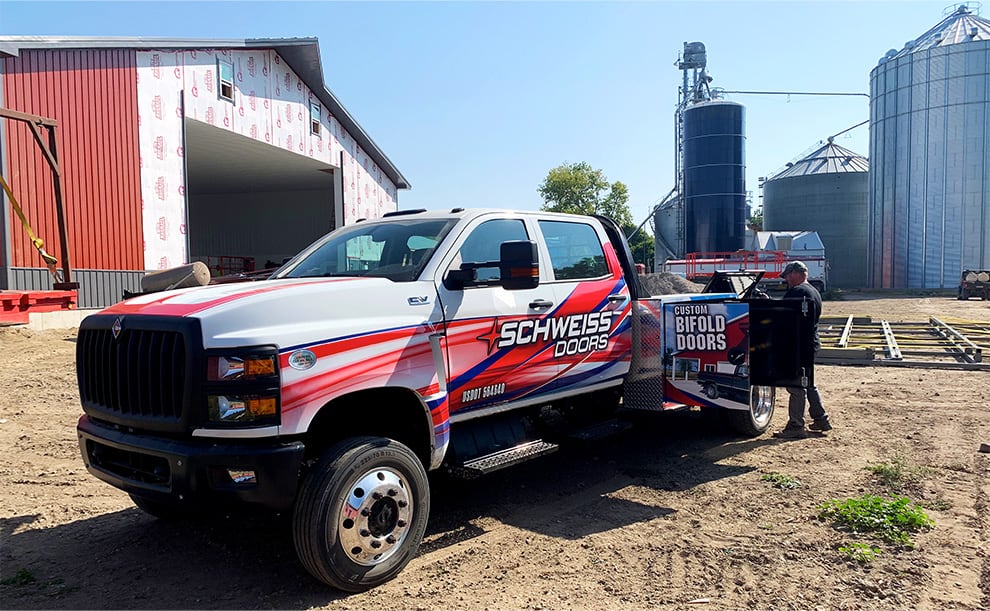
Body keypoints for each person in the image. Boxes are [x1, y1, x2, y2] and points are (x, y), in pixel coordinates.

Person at [772, 261, 832, 439]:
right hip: (810, 344)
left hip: (797, 346)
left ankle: (795, 426)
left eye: (788, 276)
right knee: (808, 382)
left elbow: (783, 317)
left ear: (796, 273)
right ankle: (821, 419)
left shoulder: (798, 292)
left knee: (795, 384)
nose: (787, 280)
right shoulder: (813, 291)